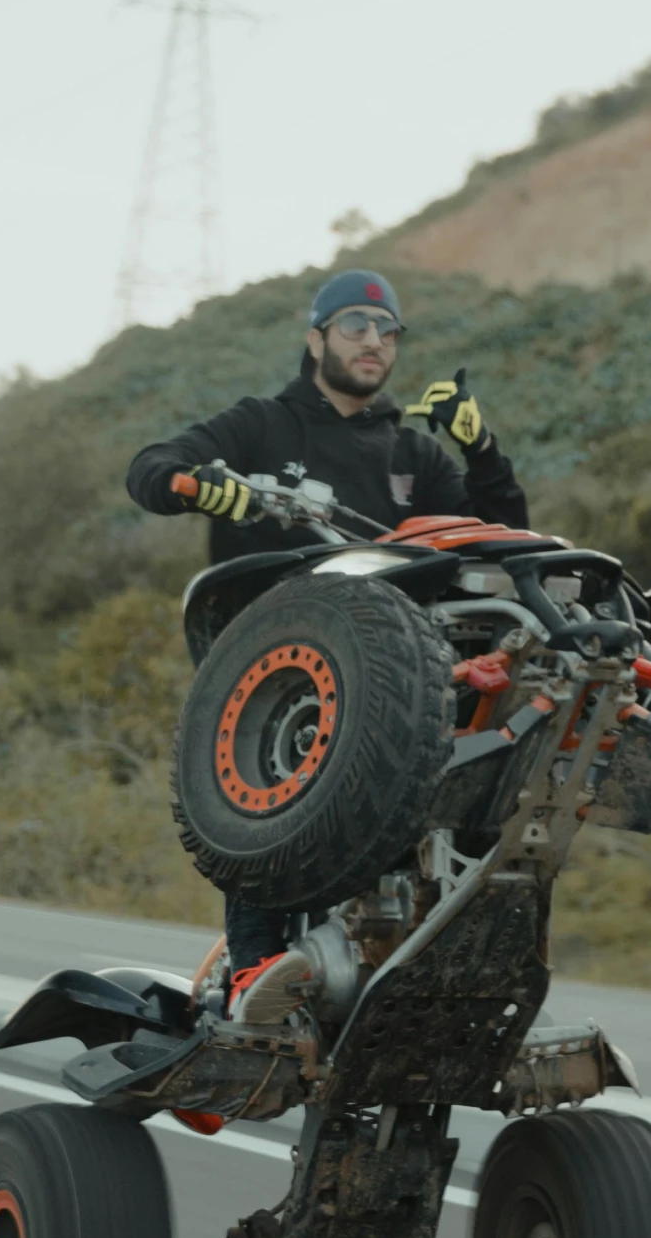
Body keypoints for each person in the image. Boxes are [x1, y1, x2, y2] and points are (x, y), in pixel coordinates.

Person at [126, 268, 531, 1021]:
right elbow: (148, 469)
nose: (373, 341)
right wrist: (198, 485)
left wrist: (481, 451)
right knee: (272, 794)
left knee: (488, 764)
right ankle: (252, 970)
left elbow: (500, 539)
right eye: (354, 326)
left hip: (401, 667)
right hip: (277, 659)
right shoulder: (263, 425)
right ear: (316, 339)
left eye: (386, 330)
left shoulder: (414, 454)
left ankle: (433, 966)